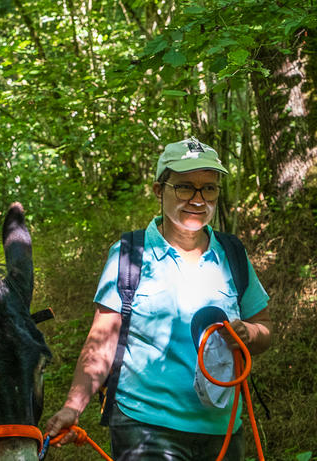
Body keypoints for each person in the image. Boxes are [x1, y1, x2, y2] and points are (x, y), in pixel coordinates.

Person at [44, 137, 272, 460]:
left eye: (209, 188)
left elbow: (263, 326)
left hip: (222, 429)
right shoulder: (130, 255)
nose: (198, 199)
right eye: (184, 187)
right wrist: (73, 405)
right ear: (158, 190)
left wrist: (248, 335)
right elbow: (102, 340)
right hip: (144, 426)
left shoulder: (232, 254)